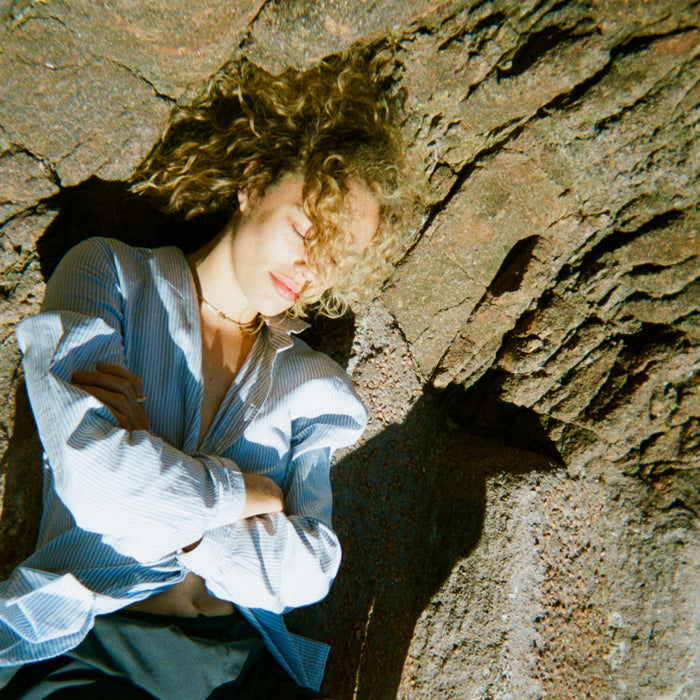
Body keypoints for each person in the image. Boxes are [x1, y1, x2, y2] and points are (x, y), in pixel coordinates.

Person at [0, 42, 411, 699]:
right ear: (253, 183)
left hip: (245, 670)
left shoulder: (314, 386)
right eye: (307, 229)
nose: (311, 268)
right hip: (95, 647)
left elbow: (309, 570)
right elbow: (94, 479)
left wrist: (163, 485)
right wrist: (246, 494)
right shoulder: (109, 277)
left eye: (337, 255)